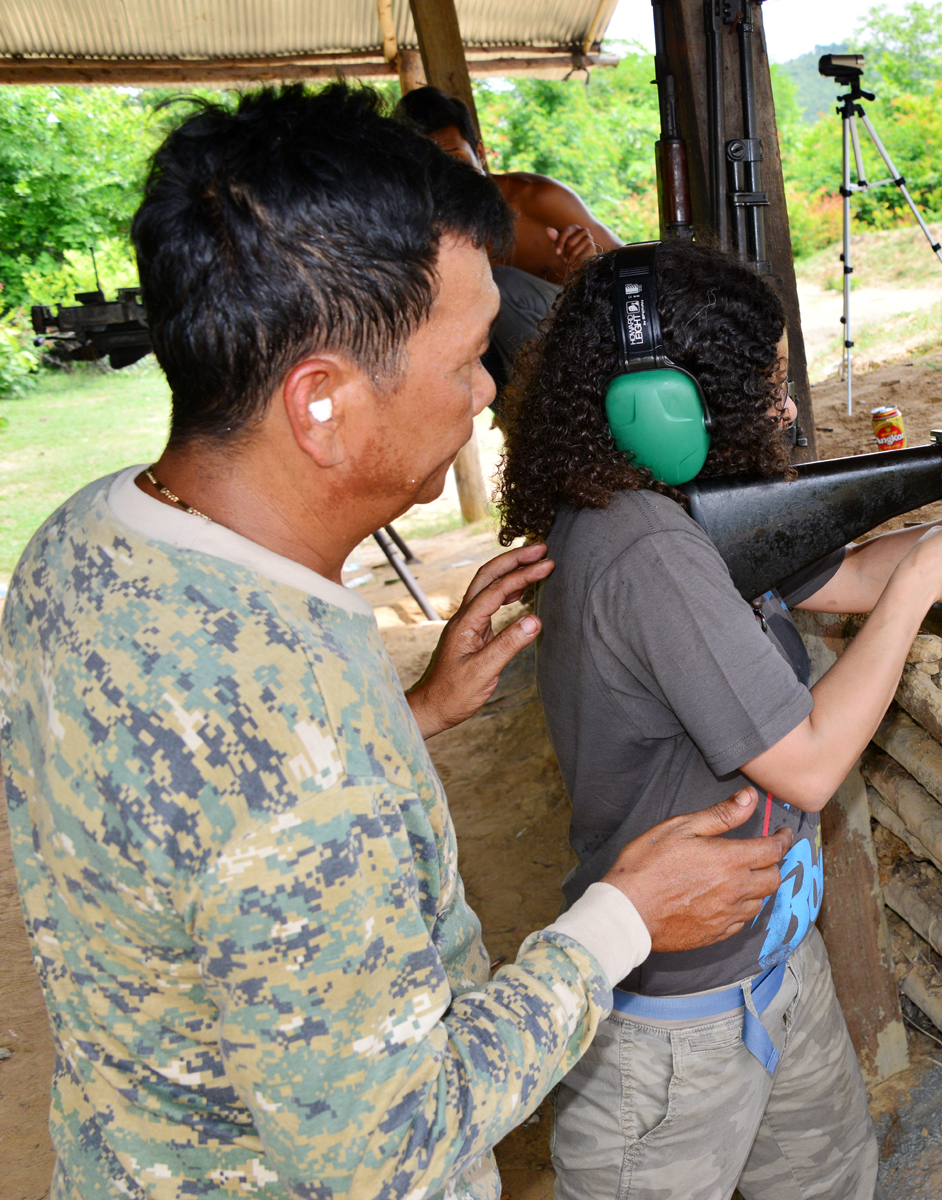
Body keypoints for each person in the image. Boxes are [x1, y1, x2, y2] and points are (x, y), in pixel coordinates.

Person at [1, 86, 794, 1200]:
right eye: (467, 355)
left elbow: (190, 824)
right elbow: (393, 1150)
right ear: (322, 402)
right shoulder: (283, 737)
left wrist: (405, 718)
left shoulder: (88, 536)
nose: (484, 390)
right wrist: (622, 920)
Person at [495, 239, 942, 1200]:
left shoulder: (677, 510)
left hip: (774, 963)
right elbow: (809, 763)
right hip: (676, 1030)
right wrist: (920, 588)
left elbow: (845, 573)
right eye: (765, 386)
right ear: (664, 406)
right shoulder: (645, 554)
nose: (784, 408)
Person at [397, 85, 623, 393]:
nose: (446, 179)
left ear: (479, 154)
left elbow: (631, 273)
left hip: (594, 351)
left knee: (501, 284)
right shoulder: (428, 239)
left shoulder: (537, 199)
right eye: (430, 168)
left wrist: (589, 264)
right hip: (518, 384)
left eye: (455, 160)